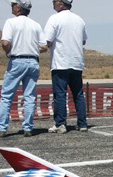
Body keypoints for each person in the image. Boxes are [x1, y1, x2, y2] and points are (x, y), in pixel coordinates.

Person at [0, 0, 47, 138]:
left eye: (13, 4)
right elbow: (44, 46)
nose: (12, 6)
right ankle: (28, 128)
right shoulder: (35, 25)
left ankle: (2, 128)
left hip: (17, 61)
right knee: (29, 96)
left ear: (18, 7)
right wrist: (31, 48)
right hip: (33, 62)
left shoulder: (10, 22)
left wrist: (9, 51)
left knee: (7, 96)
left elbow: (5, 42)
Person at [44, 0, 88, 133]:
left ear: (61, 4)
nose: (53, 3)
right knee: (78, 94)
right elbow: (83, 40)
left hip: (61, 62)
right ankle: (82, 123)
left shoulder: (54, 18)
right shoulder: (79, 20)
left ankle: (60, 123)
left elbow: (47, 40)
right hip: (76, 62)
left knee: (60, 94)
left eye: (55, 1)